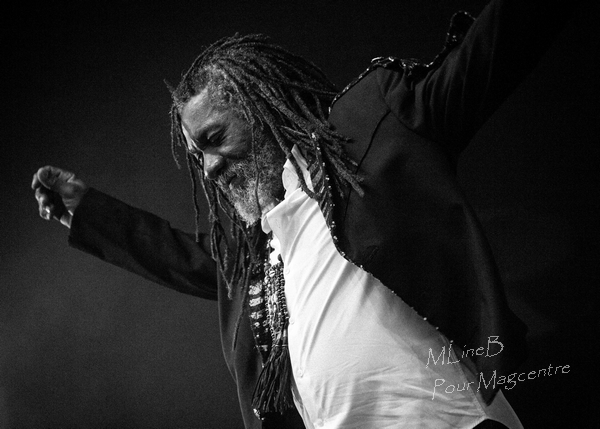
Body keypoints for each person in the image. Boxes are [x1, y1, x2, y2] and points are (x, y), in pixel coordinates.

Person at [32, 0, 582, 427]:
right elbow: (182, 256)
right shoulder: (260, 252)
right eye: (197, 155)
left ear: (261, 106)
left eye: (215, 138)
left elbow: (483, 60)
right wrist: (87, 212)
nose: (209, 168)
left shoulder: (367, 144)